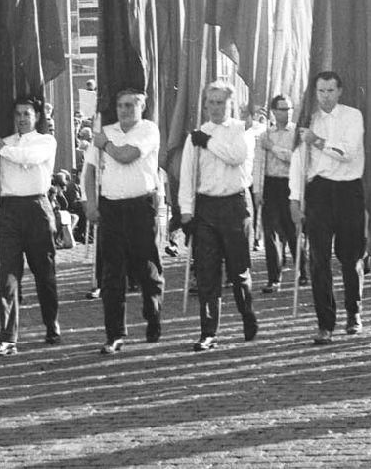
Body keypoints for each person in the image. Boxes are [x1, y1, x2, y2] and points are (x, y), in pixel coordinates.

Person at [179, 81, 259, 351]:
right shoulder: (196, 135)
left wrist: (210, 142)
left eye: (220, 102)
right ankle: (208, 331)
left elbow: (236, 156)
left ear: (230, 104)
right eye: (211, 102)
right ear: (205, 105)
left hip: (234, 206)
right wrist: (186, 212)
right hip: (207, 208)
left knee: (239, 271)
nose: (215, 107)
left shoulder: (240, 129)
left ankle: (246, 312)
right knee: (207, 273)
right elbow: (188, 176)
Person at [84, 89, 164, 355]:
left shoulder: (148, 130)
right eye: (120, 105)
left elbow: (127, 155)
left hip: (140, 206)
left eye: (130, 105)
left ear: (141, 107)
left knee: (147, 268)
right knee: (111, 274)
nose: (125, 110)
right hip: (111, 208)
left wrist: (104, 143)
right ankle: (115, 333)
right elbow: (90, 170)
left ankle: (152, 313)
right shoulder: (105, 129)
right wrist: (91, 204)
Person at [289, 71, 366, 345]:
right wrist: (295, 199)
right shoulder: (309, 119)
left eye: (330, 90)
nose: (325, 96)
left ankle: (353, 311)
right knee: (318, 259)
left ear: (340, 91)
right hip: (319, 190)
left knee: (350, 256)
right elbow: (298, 162)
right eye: (321, 91)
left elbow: (349, 153)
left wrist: (318, 141)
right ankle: (325, 323)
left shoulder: (352, 116)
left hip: (348, 190)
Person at [0, 97, 61, 357]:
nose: (21, 118)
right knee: (8, 276)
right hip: (9, 212)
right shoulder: (4, 143)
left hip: (37, 209)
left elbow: (29, 158)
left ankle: (51, 324)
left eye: (27, 113)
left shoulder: (45, 141)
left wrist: (2, 149)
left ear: (36, 116)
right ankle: (8, 337)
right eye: (17, 113)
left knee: (44, 273)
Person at [254, 95, 306, 293]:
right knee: (270, 233)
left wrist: (273, 148)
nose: (287, 112)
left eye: (289, 108)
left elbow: (294, 159)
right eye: (282, 109)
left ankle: (302, 271)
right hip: (271, 183)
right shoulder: (265, 134)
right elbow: (258, 163)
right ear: (274, 112)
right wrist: (257, 190)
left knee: (293, 230)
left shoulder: (296, 133)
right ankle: (273, 277)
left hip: (290, 184)